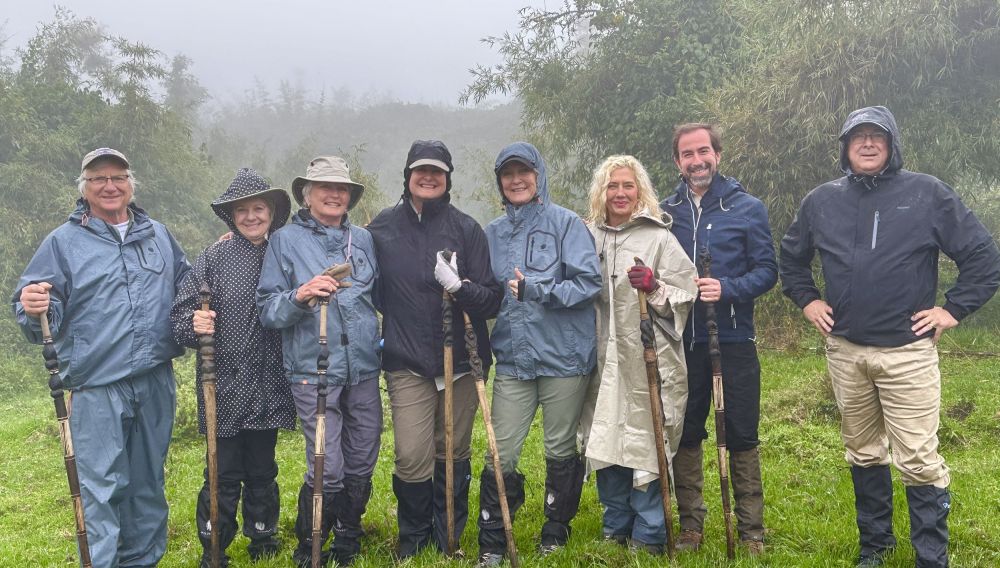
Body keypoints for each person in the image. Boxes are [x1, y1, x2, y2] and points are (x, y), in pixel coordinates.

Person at [780, 105, 1000, 568]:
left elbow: (983, 256)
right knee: (862, 451)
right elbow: (791, 259)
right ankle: (875, 548)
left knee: (918, 457)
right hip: (845, 350)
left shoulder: (928, 194)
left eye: (876, 136)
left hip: (908, 352)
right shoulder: (821, 200)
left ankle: (930, 557)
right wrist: (808, 300)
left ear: (892, 144)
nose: (866, 143)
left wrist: (952, 309)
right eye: (857, 136)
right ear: (844, 147)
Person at [13, 148, 190, 567]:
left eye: (118, 177)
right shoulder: (63, 242)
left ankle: (141, 561)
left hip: (154, 380)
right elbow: (35, 311)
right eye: (98, 179)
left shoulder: (159, 235)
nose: (109, 186)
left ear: (131, 184)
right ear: (85, 189)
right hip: (95, 387)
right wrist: (34, 303)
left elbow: (187, 285)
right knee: (99, 489)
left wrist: (225, 253)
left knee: (148, 484)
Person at [367, 140, 503, 559]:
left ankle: (447, 533)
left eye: (437, 172)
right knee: (411, 454)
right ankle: (413, 539)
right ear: (407, 176)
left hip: (462, 361)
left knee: (452, 449)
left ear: (448, 178)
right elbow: (373, 291)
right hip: (407, 362)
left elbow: (492, 299)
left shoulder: (466, 229)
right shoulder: (381, 229)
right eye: (420, 170)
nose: (428, 178)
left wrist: (460, 288)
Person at [476, 142, 602, 567]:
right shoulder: (490, 233)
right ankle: (493, 535)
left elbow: (588, 284)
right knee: (501, 449)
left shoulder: (567, 225)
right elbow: (484, 293)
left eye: (523, 172)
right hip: (513, 359)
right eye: (507, 174)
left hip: (564, 358)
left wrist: (539, 289)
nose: (516, 180)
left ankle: (556, 526)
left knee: (560, 445)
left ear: (538, 175)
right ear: (500, 182)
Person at [257, 156, 382, 567]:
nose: (334, 194)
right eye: (324, 188)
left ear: (349, 197)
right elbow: (268, 310)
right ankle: (309, 544)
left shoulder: (362, 239)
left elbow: (377, 296)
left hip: (363, 367)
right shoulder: (284, 241)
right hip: (314, 370)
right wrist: (301, 294)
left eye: (341, 188)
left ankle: (348, 537)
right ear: (307, 195)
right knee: (327, 465)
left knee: (363, 457)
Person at [660, 123, 777, 554]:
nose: (697, 160)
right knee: (687, 430)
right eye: (687, 154)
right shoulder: (665, 212)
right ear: (678, 162)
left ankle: (751, 532)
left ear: (718, 155)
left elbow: (767, 271)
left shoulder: (747, 208)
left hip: (734, 339)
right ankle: (691, 526)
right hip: (679, 339)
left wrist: (727, 287)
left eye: (703, 151)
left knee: (742, 431)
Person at [170, 168, 296, 567]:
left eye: (258, 208)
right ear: (231, 216)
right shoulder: (213, 257)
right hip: (222, 384)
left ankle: (263, 537)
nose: (251, 217)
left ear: (272, 212)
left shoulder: (285, 251)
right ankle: (215, 547)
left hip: (270, 382)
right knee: (221, 473)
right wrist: (194, 322)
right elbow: (180, 316)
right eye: (241, 210)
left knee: (262, 468)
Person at [582, 154, 698, 556]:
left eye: (627, 186)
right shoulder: (589, 238)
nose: (619, 193)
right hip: (602, 360)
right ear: (602, 191)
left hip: (649, 359)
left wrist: (655, 287)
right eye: (612, 186)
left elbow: (687, 291)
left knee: (647, 438)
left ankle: (649, 532)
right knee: (607, 436)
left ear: (639, 191)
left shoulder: (659, 238)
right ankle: (615, 524)